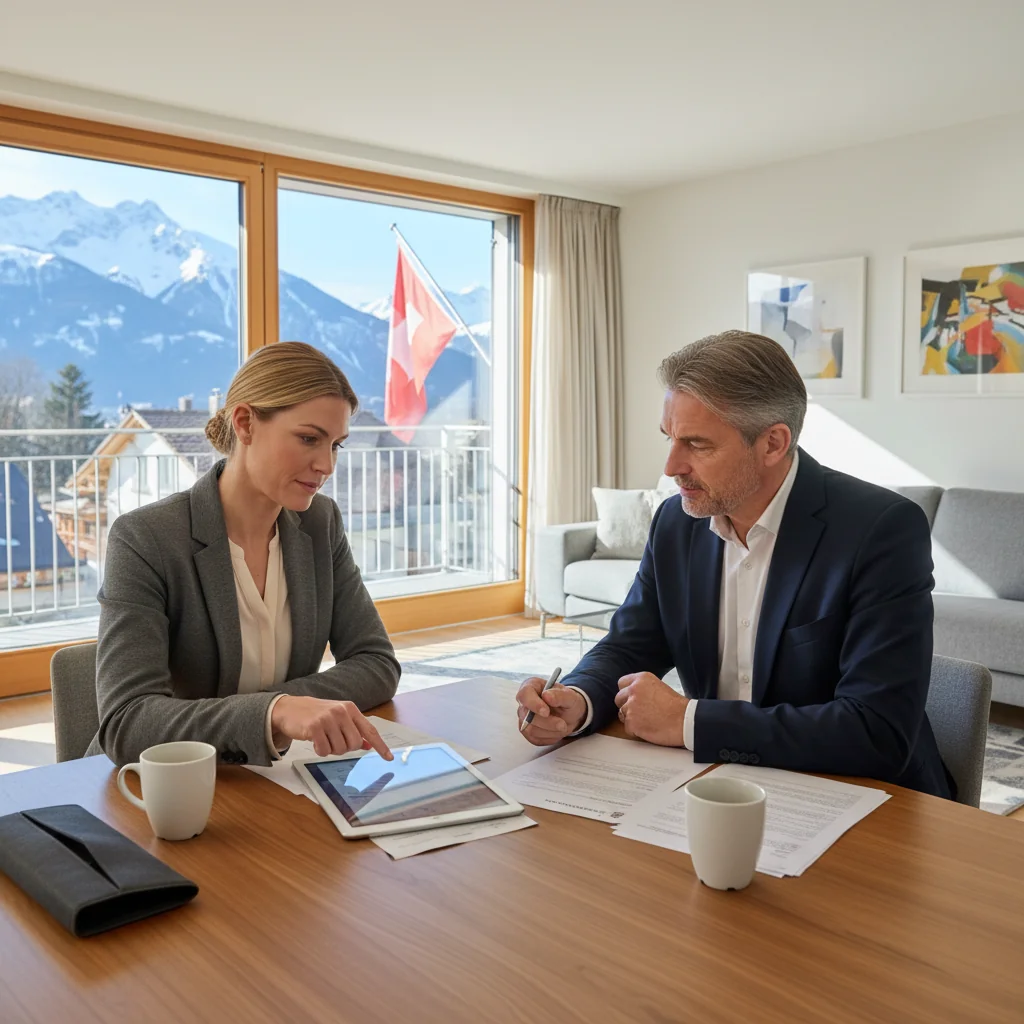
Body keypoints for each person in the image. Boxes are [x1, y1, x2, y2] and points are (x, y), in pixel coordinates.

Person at [517, 330, 953, 799]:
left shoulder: (881, 530)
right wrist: (578, 700)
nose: (670, 466)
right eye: (669, 438)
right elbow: (631, 644)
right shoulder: (676, 521)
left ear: (772, 443)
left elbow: (876, 732)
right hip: (719, 785)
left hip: (861, 798)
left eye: (697, 445)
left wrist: (688, 720)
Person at [87, 341, 400, 768]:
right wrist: (276, 712)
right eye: (309, 438)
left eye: (336, 445)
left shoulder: (320, 523)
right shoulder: (146, 538)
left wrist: (285, 708)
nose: (326, 465)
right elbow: (128, 723)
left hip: (279, 779)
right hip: (164, 792)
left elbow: (376, 663)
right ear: (245, 423)